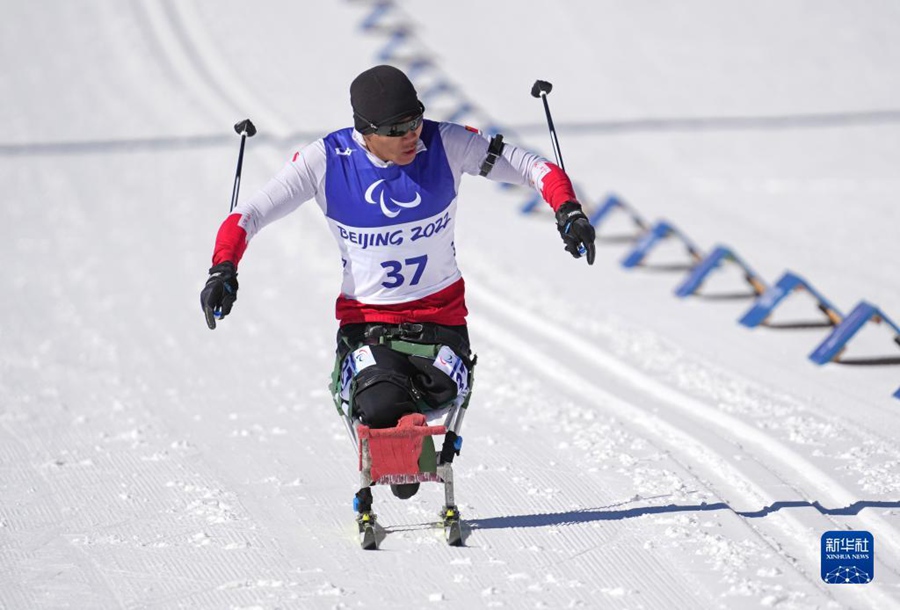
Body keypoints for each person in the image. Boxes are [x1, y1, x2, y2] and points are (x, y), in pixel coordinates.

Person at [200, 64, 595, 500]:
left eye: (416, 120)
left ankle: (406, 445)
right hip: (368, 327)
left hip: (442, 326)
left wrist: (567, 210)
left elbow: (531, 166)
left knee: (432, 401)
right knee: (380, 410)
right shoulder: (326, 160)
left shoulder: (445, 142)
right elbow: (248, 215)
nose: (413, 134)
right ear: (366, 132)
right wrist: (224, 269)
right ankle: (404, 444)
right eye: (398, 128)